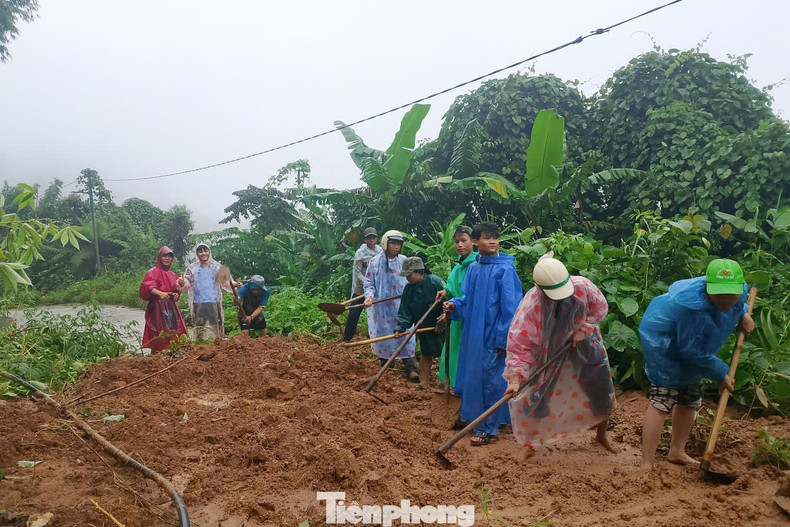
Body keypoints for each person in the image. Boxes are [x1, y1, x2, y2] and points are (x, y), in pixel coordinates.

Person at [639, 258, 754, 467]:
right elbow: (692, 350)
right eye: (720, 293)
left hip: (696, 351)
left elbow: (738, 303)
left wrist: (743, 313)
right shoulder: (690, 306)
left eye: (731, 293)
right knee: (661, 402)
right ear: (707, 286)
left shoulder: (738, 293)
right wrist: (721, 373)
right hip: (666, 347)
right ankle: (646, 462)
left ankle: (677, 451)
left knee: (689, 400)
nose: (726, 299)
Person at [504, 254, 617, 458]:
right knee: (536, 394)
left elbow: (599, 308)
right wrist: (516, 378)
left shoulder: (583, 286)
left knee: (599, 388)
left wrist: (583, 328)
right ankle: (528, 444)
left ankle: (601, 435)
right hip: (548, 352)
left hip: (585, 343)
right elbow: (520, 345)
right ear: (540, 289)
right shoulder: (530, 307)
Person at [441, 222, 523, 445]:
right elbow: (467, 300)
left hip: (492, 334)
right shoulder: (474, 269)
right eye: (487, 238)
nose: (493, 241)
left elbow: (511, 308)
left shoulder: (505, 269)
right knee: (473, 375)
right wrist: (454, 306)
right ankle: (474, 417)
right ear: (476, 242)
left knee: (491, 379)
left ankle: (489, 427)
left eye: (495, 237)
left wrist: (502, 338)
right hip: (473, 334)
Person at [363, 229, 419, 381]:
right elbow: (369, 283)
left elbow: (414, 280)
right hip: (382, 309)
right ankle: (386, 364)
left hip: (402, 306)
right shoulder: (374, 262)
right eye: (393, 243)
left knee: (406, 334)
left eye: (399, 244)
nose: (396, 247)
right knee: (385, 336)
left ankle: (412, 368)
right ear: (385, 243)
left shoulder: (404, 261)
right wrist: (369, 297)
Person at [393, 257, 446, 390]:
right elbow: (405, 310)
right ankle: (424, 383)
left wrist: (443, 318)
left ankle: (447, 383)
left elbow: (448, 302)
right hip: (422, 326)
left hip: (441, 326)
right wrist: (401, 327)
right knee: (426, 354)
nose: (407, 278)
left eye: (409, 275)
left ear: (419, 272)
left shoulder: (436, 282)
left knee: (446, 354)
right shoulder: (409, 289)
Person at [439, 225, 477, 390]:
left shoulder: (475, 265)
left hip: (469, 318)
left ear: (473, 242)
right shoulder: (458, 266)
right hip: (455, 319)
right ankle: (453, 386)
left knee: (465, 354)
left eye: (463, 241)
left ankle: (463, 388)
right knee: (452, 352)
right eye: (456, 242)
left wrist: (455, 305)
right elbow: (453, 286)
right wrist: (445, 291)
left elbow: (469, 294)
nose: (459, 245)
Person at [139, 246, 187, 352]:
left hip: (170, 308)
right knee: (158, 332)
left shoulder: (173, 275)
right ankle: (157, 356)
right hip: (157, 308)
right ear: (160, 257)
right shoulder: (153, 272)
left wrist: (176, 295)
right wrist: (159, 293)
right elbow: (147, 286)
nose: (167, 258)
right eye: (165, 256)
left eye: (169, 256)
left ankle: (172, 352)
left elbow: (177, 292)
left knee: (173, 331)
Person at [179, 243, 231, 340]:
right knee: (199, 329)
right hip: (198, 303)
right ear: (197, 254)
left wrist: (235, 284)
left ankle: (217, 348)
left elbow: (227, 282)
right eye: (200, 251)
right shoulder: (192, 268)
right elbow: (187, 283)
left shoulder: (217, 267)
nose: (203, 253)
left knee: (216, 328)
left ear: (209, 252)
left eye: (205, 251)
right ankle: (200, 348)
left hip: (214, 302)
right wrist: (182, 283)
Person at [344, 227, 382, 342]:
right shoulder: (360, 253)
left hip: (377, 285)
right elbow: (357, 273)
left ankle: (377, 337)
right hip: (361, 287)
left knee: (378, 311)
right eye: (369, 238)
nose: (371, 241)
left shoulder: (380, 251)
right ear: (365, 240)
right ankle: (347, 337)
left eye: (373, 238)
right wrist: (367, 283)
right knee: (355, 312)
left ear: (377, 238)